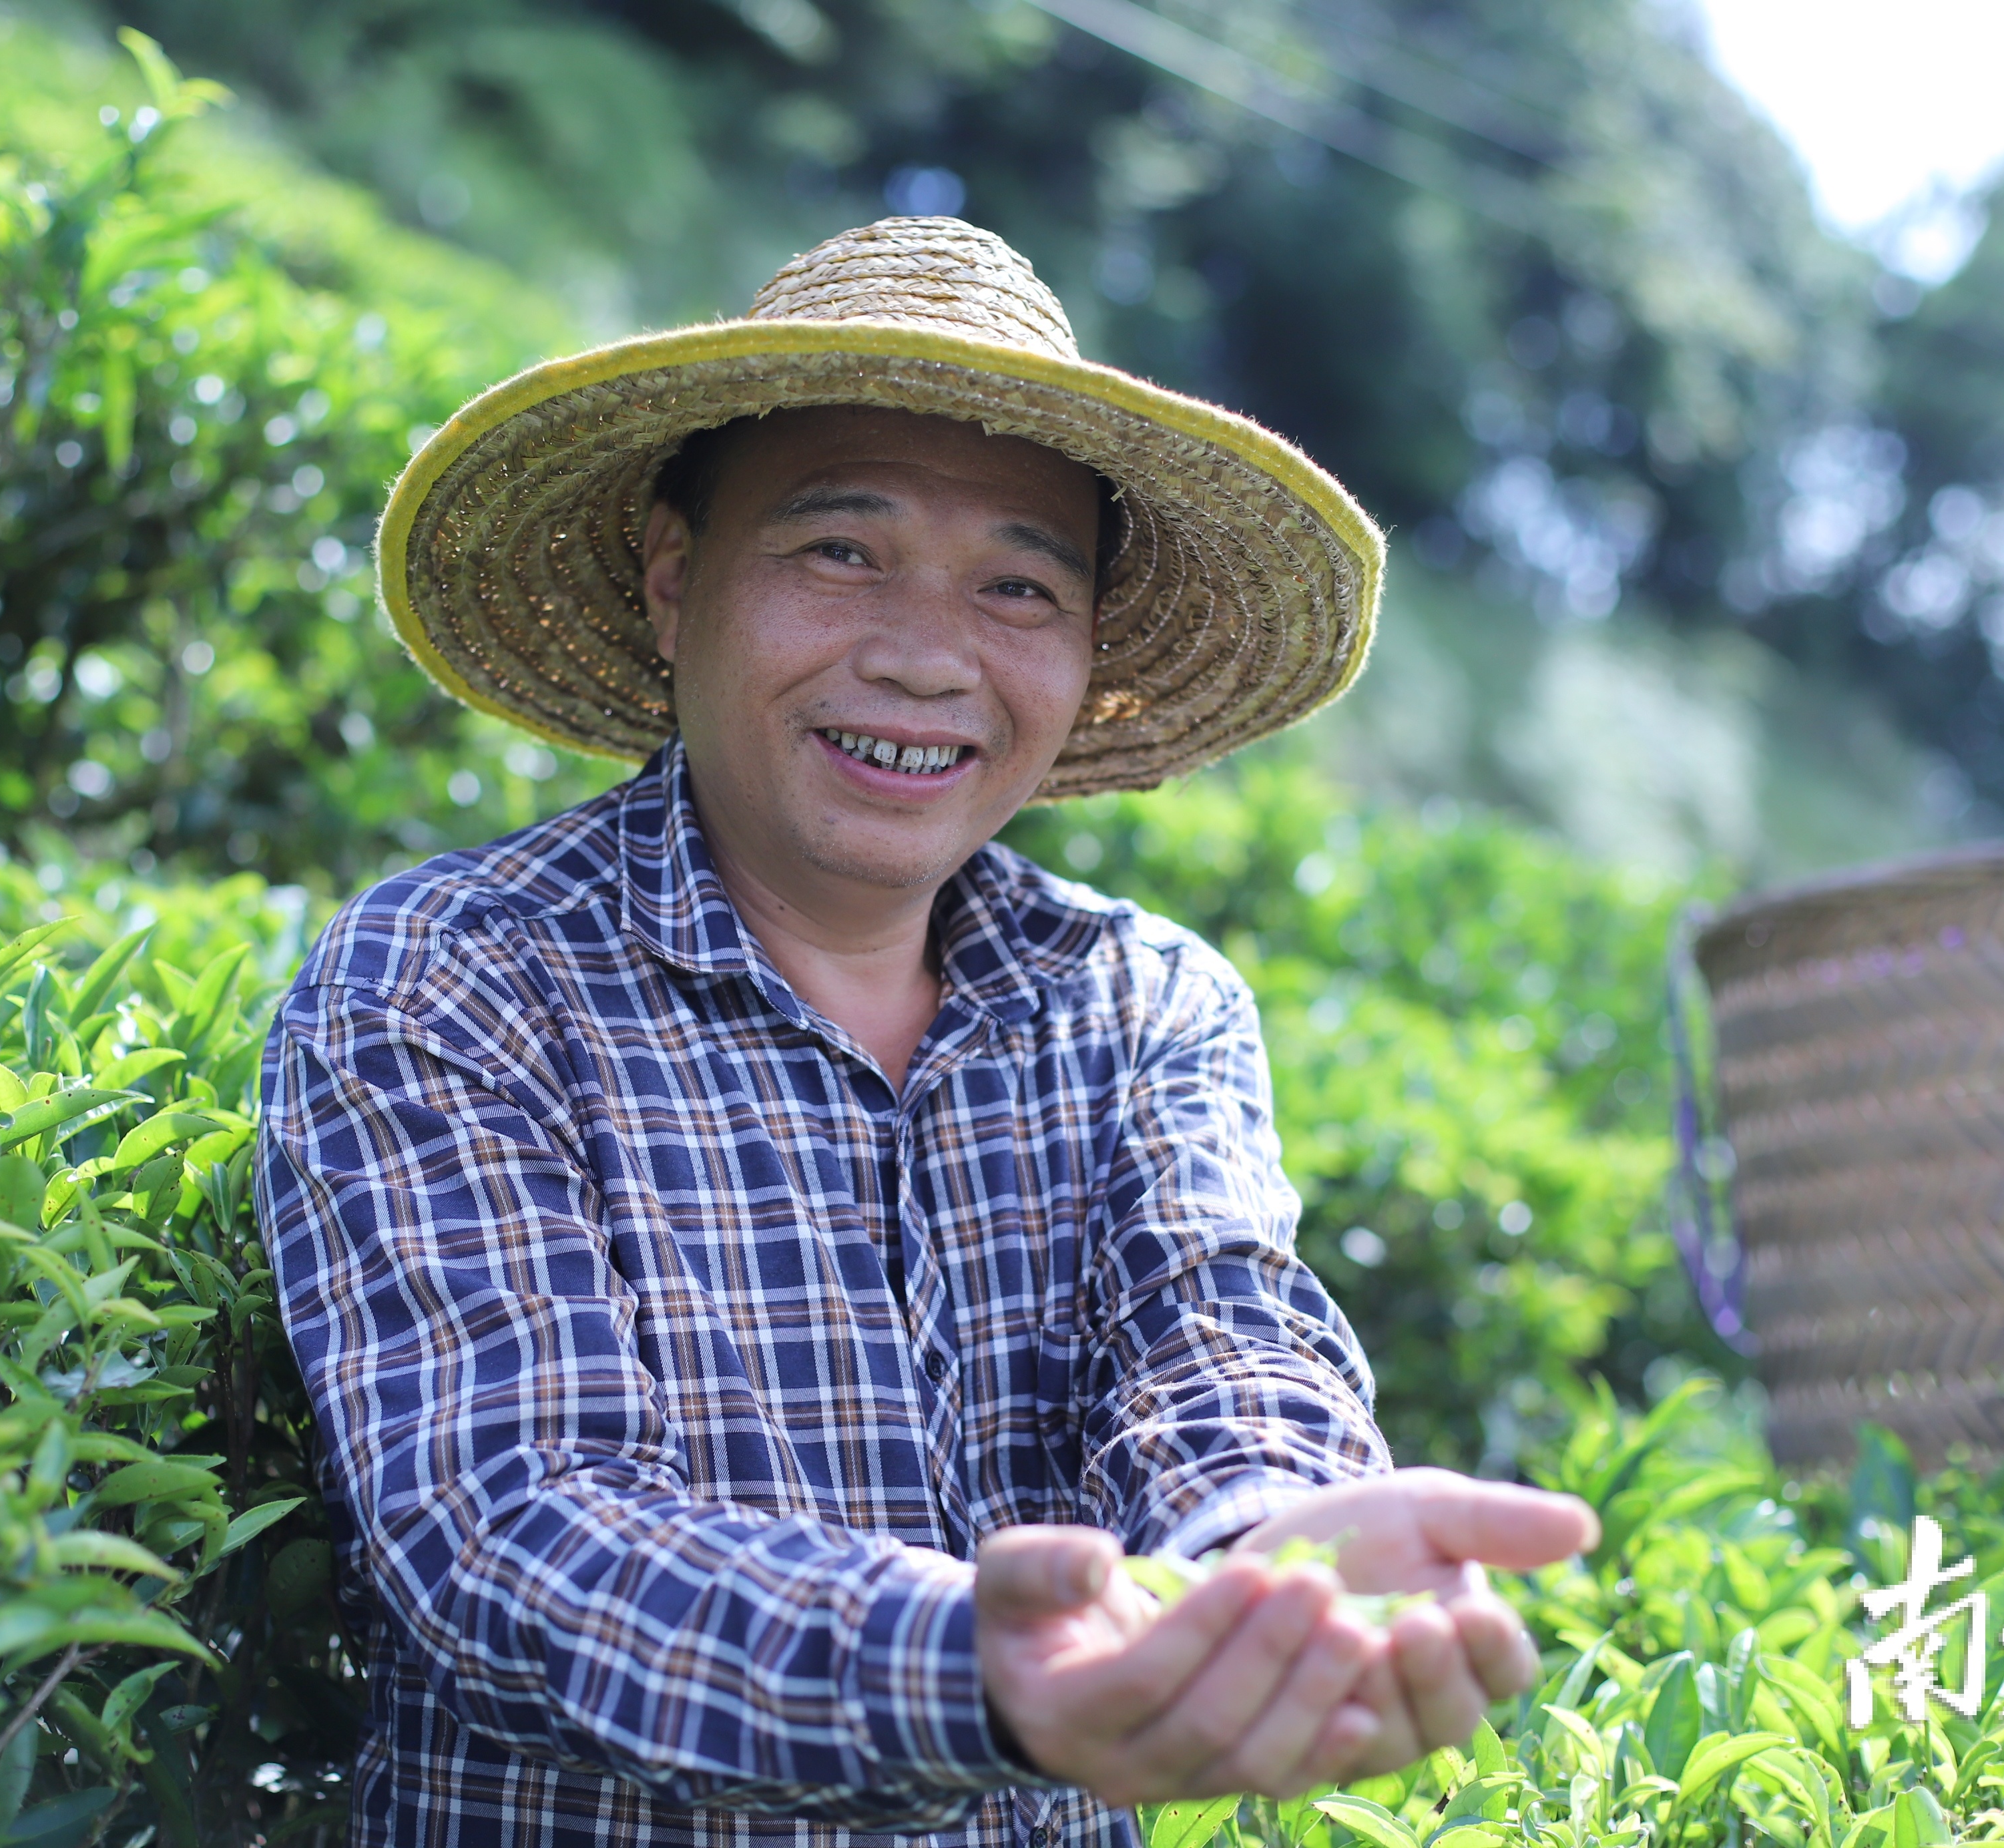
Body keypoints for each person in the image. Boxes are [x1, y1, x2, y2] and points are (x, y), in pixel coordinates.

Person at [260, 217, 1598, 1848]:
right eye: (839, 552)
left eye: (1018, 585)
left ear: (1087, 651)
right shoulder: (454, 977)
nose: (920, 655)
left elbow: (1215, 1336)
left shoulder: (1143, 1003)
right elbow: (512, 1535)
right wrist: (974, 1668)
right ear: (677, 580)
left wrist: (1274, 1550)